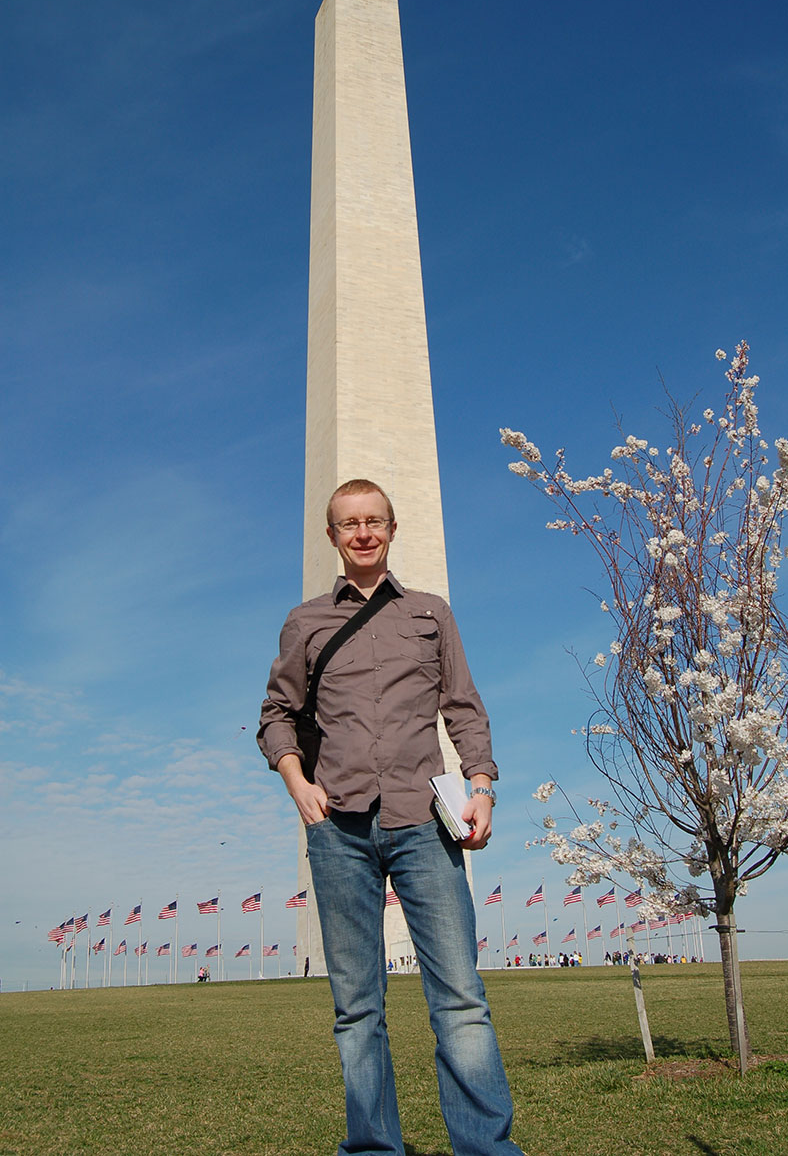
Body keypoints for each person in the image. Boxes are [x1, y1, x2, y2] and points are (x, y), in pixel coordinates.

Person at [258, 479, 524, 1156]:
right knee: (357, 1008)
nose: (364, 532)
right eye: (350, 523)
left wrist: (483, 785)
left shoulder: (432, 613)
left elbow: (464, 707)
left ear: (393, 527)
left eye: (374, 519)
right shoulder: (305, 621)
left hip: (422, 820)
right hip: (338, 826)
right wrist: (297, 783)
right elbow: (275, 716)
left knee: (461, 997)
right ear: (332, 536)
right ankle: (374, 1148)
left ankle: (487, 1149)